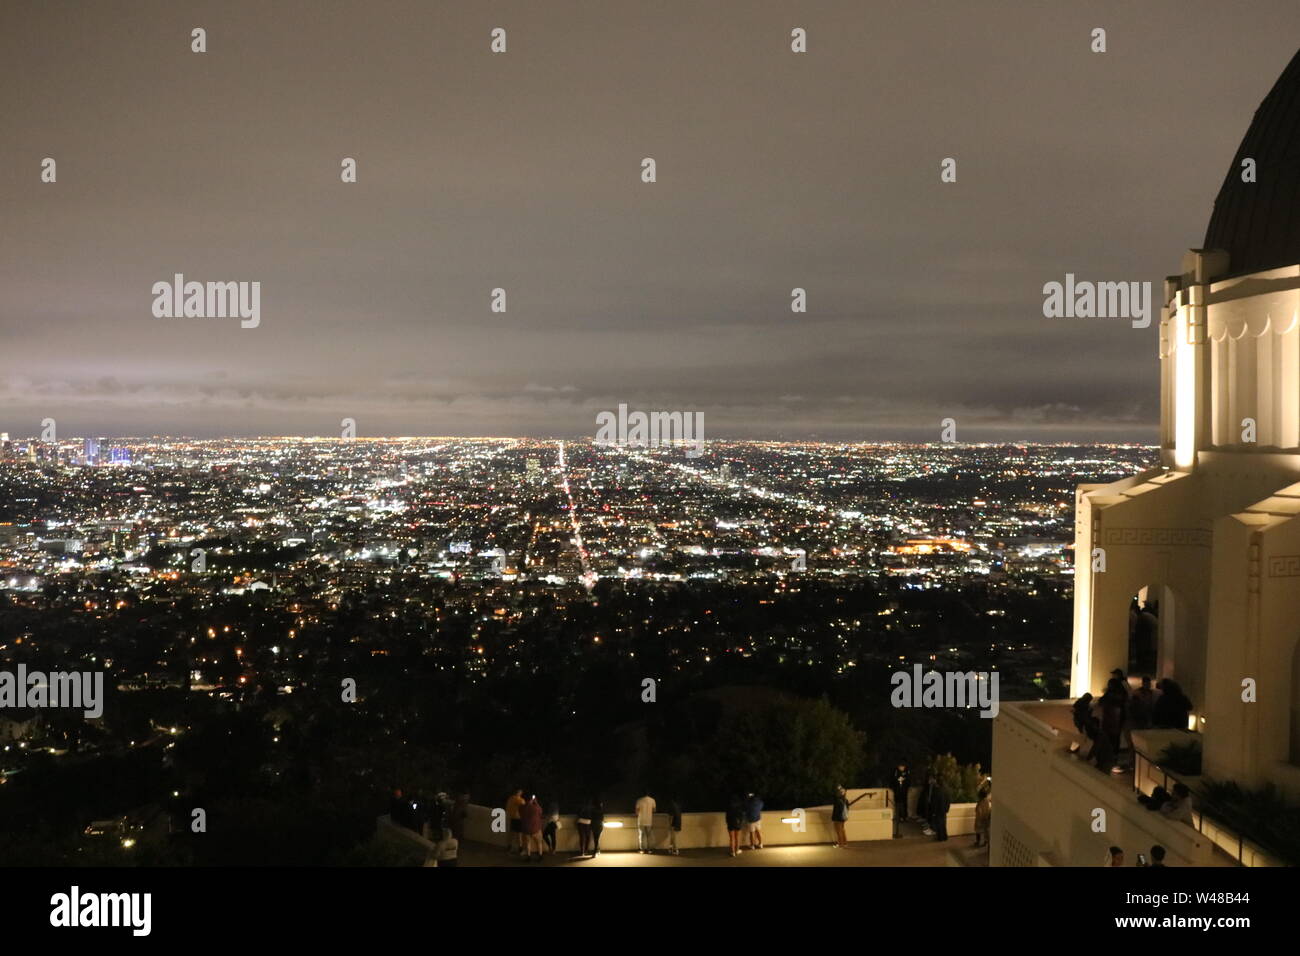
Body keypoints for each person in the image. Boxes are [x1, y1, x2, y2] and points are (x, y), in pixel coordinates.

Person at [891, 763, 909, 838]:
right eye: (901, 767)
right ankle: (899, 817)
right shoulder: (896, 772)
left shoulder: (906, 773)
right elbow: (893, 781)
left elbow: (908, 780)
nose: (902, 768)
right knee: (898, 806)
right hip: (898, 794)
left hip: (903, 793)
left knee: (904, 805)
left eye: (903, 767)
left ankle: (904, 816)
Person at [505, 787, 525, 854]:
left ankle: (509, 847)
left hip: (512, 818)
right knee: (519, 834)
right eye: (521, 792)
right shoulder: (520, 800)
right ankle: (520, 848)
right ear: (519, 793)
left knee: (511, 834)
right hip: (519, 819)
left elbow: (507, 807)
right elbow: (524, 807)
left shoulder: (510, 799)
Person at [973, 784, 992, 848]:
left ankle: (978, 842)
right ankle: (985, 842)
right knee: (985, 831)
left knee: (978, 830)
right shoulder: (987, 801)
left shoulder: (980, 802)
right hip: (986, 818)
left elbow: (978, 810)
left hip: (980, 818)